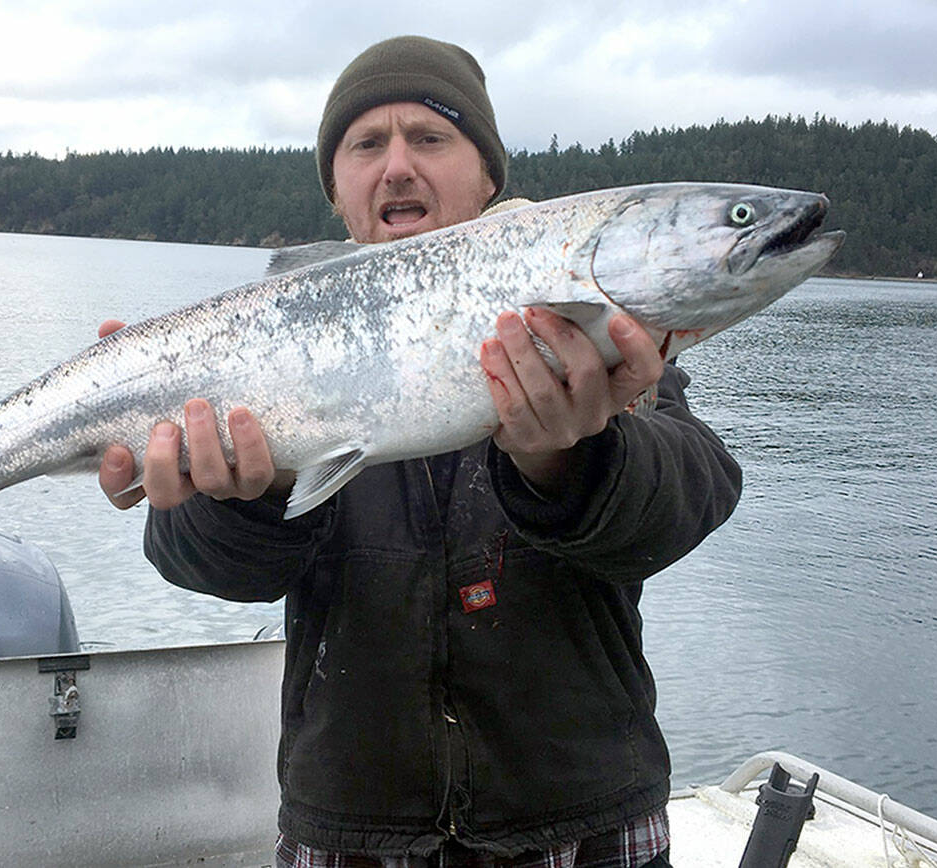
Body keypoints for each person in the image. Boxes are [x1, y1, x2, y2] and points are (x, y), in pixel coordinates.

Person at [98, 35, 741, 868]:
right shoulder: (254, 351)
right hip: (350, 833)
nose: (397, 166)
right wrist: (252, 493)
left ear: (489, 178)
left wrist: (571, 464)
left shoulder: (596, 335)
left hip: (582, 825)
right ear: (337, 189)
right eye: (367, 145)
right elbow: (207, 569)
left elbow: (691, 499)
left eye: (430, 138)